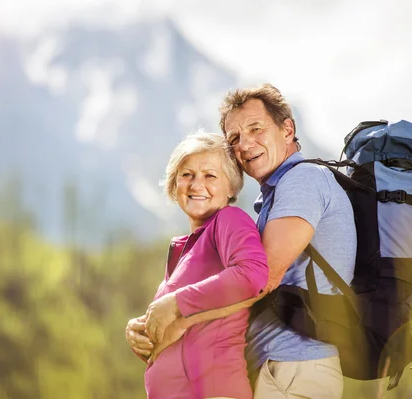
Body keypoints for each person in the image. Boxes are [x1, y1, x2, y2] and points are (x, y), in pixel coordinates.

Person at [129, 84, 357, 399]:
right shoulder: (271, 198)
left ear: (287, 129)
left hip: (293, 367)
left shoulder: (303, 181)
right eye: (234, 138)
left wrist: (180, 318)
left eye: (255, 129)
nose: (245, 144)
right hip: (277, 367)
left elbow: (261, 278)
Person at [126, 131, 269, 399]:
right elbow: (183, 336)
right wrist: (139, 332)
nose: (196, 184)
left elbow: (252, 274)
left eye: (210, 176)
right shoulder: (185, 249)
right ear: (173, 185)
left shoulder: (229, 220)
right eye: (187, 174)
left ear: (231, 187)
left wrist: (176, 302)